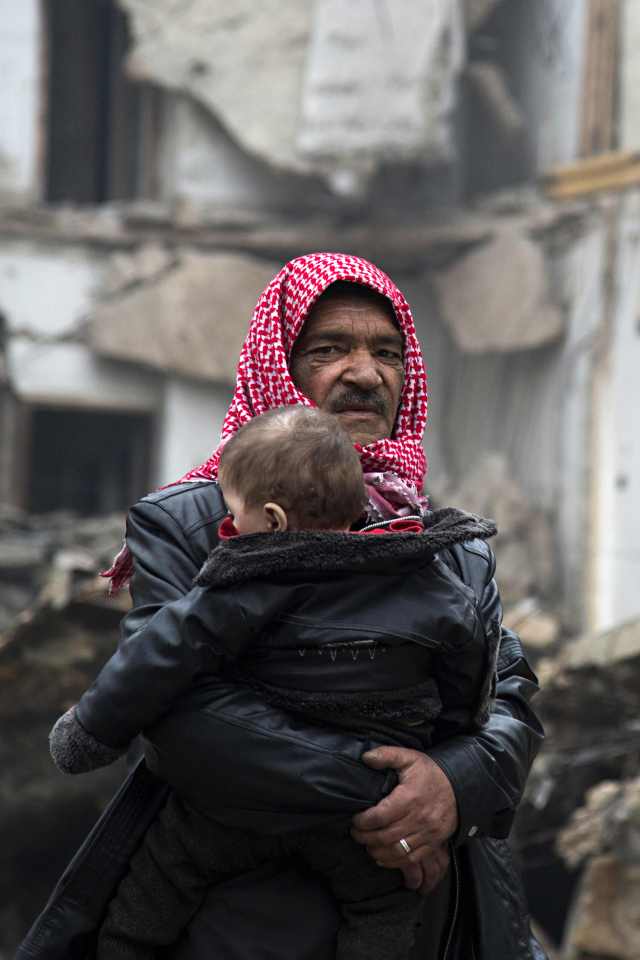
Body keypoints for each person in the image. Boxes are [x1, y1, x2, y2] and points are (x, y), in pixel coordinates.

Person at [18, 252, 547, 960]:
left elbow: (506, 692)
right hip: (240, 915)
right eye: (330, 348)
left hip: (426, 914)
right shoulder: (190, 523)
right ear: (277, 366)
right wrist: (396, 795)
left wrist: (456, 785)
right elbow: (183, 717)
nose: (366, 373)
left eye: (387, 352)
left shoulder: (442, 538)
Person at [50, 405, 499, 960]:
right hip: (362, 828)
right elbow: (475, 671)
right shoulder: (424, 569)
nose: (226, 531)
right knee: (384, 910)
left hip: (229, 817)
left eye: (232, 517)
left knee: (154, 884)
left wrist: (88, 730)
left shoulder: (243, 583)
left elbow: (160, 658)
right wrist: (437, 767)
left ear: (273, 521)